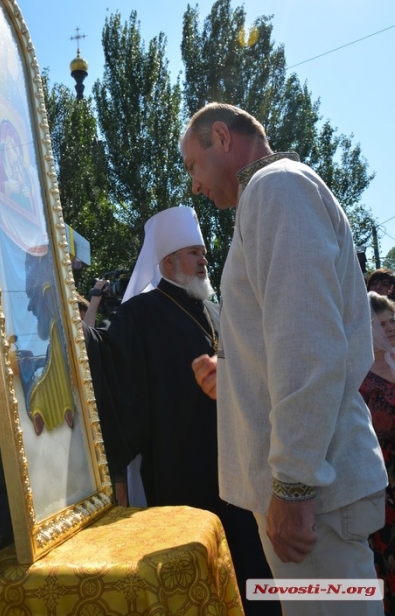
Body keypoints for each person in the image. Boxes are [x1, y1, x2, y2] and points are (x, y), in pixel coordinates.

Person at [181, 102, 387, 616]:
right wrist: (233, 378)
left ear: (223, 138)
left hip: (314, 500)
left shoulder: (277, 189)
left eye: (191, 165)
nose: (194, 186)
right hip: (316, 493)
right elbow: (292, 341)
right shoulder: (274, 194)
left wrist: (294, 485)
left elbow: (310, 346)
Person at [84, 205, 279, 616]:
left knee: (251, 572)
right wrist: (73, 328)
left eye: (203, 252)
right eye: (194, 252)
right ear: (169, 261)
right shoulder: (140, 312)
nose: (204, 259)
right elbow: (106, 361)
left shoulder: (213, 310)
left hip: (236, 468)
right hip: (181, 473)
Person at [360, 292, 395, 614]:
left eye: (392, 320)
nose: (390, 328)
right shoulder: (358, 370)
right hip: (383, 482)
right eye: (381, 323)